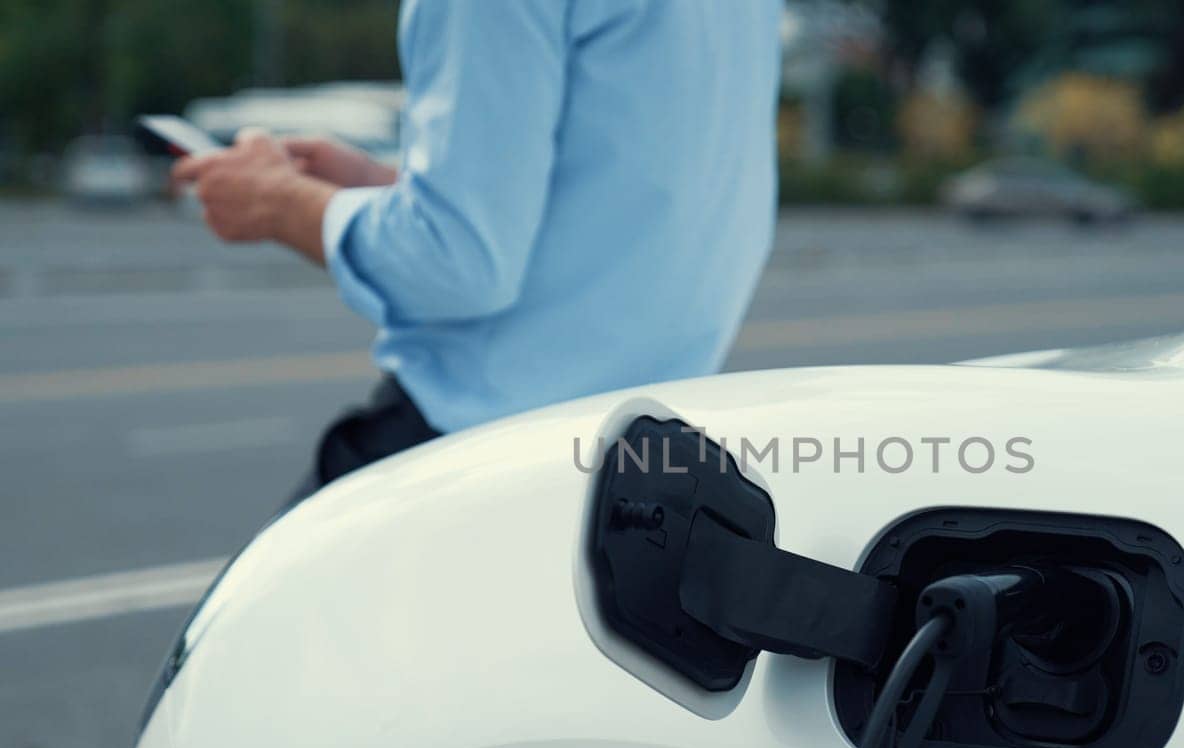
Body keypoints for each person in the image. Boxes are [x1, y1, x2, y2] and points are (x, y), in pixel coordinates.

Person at [173, 1, 782, 505]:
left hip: (476, 455)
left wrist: (280, 203)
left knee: (232, 643)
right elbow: (620, 199)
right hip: (643, 469)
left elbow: (459, 265)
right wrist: (389, 187)